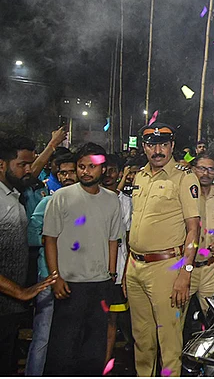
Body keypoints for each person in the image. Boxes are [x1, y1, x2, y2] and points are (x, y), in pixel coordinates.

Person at [126, 123, 202, 376]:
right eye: (151, 145)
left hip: (167, 267)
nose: (157, 150)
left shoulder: (184, 177)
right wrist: (129, 266)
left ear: (172, 146)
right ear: (144, 147)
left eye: (163, 145)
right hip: (135, 267)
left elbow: (194, 229)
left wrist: (185, 272)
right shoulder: (140, 176)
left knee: (169, 343)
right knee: (142, 341)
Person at [42, 143, 122, 376]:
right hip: (69, 286)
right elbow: (50, 239)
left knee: (93, 352)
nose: (86, 171)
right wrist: (56, 278)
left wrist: (111, 276)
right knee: (63, 352)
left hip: (99, 285)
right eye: (81, 166)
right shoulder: (61, 197)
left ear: (103, 169)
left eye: (92, 167)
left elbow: (113, 240)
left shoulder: (111, 200)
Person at [0, 136, 57, 376]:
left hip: (9, 309)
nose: (28, 171)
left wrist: (52, 144)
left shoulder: (12, 194)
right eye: (22, 165)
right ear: (1, 165)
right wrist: (20, 291)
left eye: (30, 165)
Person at [27, 153, 77, 376]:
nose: (66, 177)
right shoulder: (48, 202)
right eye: (62, 173)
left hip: (79, 279)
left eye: (71, 172)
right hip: (49, 278)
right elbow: (30, 235)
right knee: (43, 336)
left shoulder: (91, 203)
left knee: (73, 335)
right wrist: (54, 240)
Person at [101, 154, 134, 368]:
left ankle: (105, 363)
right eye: (104, 169)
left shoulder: (126, 202)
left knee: (112, 320)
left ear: (119, 174)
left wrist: (125, 274)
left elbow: (130, 239)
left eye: (112, 170)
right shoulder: (92, 197)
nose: (107, 174)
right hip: (93, 268)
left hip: (118, 267)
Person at [190, 153, 214, 313]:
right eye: (202, 169)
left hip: (212, 267)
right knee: (175, 320)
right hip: (185, 267)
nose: (206, 173)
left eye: (211, 170)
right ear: (193, 170)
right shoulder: (183, 197)